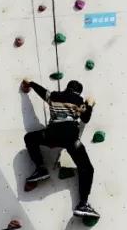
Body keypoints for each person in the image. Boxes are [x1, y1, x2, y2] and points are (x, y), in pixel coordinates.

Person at [21, 78, 99, 218]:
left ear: (67, 87)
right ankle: (83, 204)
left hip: (51, 136)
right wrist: (90, 104)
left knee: (30, 138)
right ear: (78, 92)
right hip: (71, 140)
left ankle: (40, 168)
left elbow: (41, 91)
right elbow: (85, 119)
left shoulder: (54, 96)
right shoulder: (80, 102)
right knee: (86, 168)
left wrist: (30, 83)